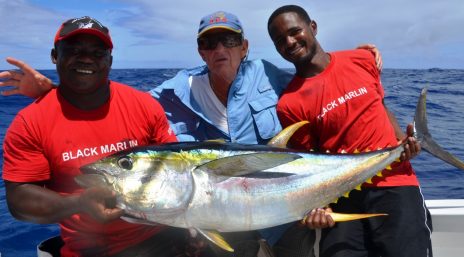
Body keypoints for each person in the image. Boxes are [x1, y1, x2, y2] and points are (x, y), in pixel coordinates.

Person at [1, 11, 382, 257]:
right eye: (209, 43)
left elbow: (319, 79)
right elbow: (92, 103)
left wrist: (356, 60)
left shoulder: (273, 75)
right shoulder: (168, 94)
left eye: (228, 40)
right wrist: (53, 92)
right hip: (217, 219)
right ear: (200, 51)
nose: (219, 49)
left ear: (244, 47)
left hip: (284, 209)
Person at [0, 16, 209, 257]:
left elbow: (176, 172)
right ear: (55, 56)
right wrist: (78, 203)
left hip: (163, 237)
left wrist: (188, 228)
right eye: (74, 50)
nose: (86, 58)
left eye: (98, 52)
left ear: (110, 60)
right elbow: (18, 200)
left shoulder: (143, 105)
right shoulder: (30, 122)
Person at [267, 5, 432, 257]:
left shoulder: (362, 59)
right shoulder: (289, 103)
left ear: (313, 27)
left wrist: (404, 142)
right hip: (342, 195)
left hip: (395, 183)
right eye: (280, 40)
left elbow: (381, 107)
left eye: (294, 31)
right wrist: (318, 209)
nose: (289, 42)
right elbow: (309, 164)